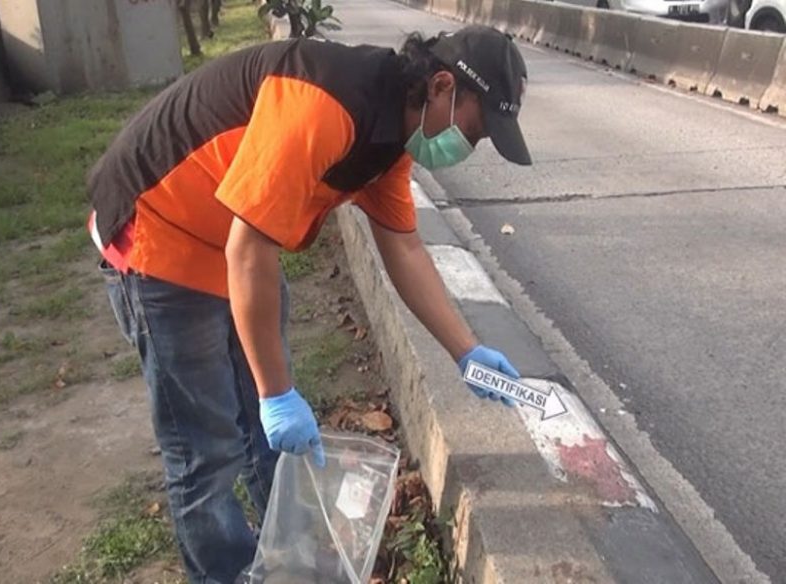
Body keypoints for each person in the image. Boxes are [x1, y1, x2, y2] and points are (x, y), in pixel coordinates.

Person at [86, 25, 530, 584]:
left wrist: (467, 350)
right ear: (442, 86)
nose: (474, 145)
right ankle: (224, 573)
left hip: (231, 243)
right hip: (159, 233)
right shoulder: (324, 104)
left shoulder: (392, 137)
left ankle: (285, 565)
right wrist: (276, 394)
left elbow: (406, 248)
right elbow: (250, 248)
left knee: (269, 441)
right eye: (478, 129)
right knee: (209, 456)